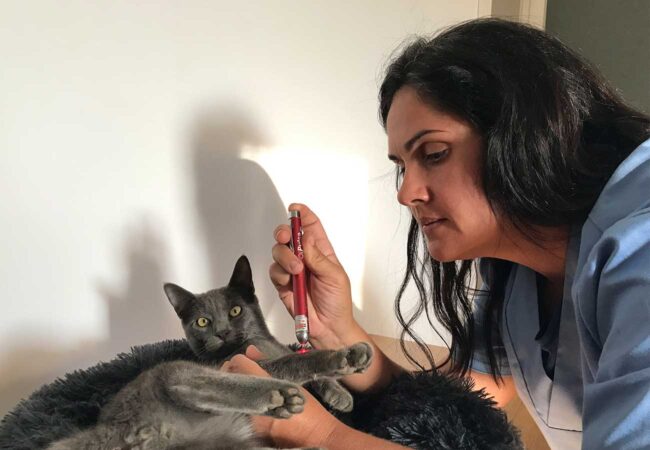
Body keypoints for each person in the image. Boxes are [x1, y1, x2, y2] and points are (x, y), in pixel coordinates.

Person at [221, 18, 650, 449]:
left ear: (527, 134)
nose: (405, 193)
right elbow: (464, 402)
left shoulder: (641, 250)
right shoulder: (516, 271)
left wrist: (320, 433)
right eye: (401, 166)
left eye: (434, 153)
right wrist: (337, 332)